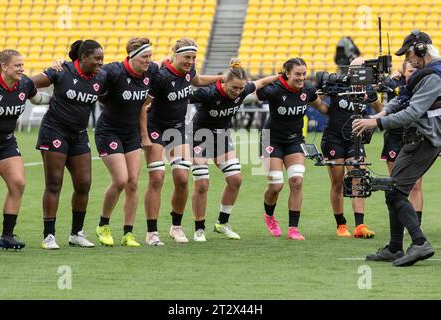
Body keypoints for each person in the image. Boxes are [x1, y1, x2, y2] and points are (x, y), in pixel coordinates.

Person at [353, 30, 441, 266]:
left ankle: (419, 243)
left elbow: (412, 111)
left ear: (421, 50)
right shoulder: (425, 73)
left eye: (410, 54)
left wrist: (376, 122)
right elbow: (402, 99)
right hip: (416, 139)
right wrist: (383, 112)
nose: (408, 59)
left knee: (395, 192)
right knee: (394, 191)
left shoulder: (434, 77)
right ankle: (394, 248)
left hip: (425, 140)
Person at [140, 38, 222, 244]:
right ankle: (152, 232)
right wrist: (144, 135)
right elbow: (143, 105)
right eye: (187, 57)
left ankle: (176, 227)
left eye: (194, 58)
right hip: (155, 128)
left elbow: (199, 80)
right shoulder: (160, 76)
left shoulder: (189, 72)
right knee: (157, 177)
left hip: (177, 128)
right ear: (175, 56)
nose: (191, 61)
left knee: (183, 178)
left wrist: (222, 77)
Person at [188, 58, 278, 241]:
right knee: (202, 183)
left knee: (235, 179)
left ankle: (222, 223)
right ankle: (199, 229)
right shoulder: (209, 93)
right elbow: (182, 96)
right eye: (234, 88)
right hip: (199, 136)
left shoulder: (243, 89)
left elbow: (261, 82)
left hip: (221, 136)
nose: (237, 92)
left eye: (240, 88)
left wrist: (280, 76)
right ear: (224, 82)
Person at [32, 40, 107, 249]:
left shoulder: (101, 77)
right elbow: (28, 84)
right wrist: (38, 99)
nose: (101, 62)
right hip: (54, 131)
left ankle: (76, 233)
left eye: (102, 58)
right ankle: (49, 236)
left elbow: (110, 94)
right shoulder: (62, 71)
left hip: (79, 134)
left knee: (84, 184)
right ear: (83, 58)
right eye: (97, 58)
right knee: (54, 183)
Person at [92, 38, 159, 247]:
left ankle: (128, 233)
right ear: (132, 56)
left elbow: (142, 105)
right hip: (108, 131)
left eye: (150, 56)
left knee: (132, 183)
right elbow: (89, 76)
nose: (149, 60)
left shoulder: (151, 72)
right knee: (120, 180)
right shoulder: (114, 71)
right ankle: (103, 225)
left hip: (131, 134)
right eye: (144, 57)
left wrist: (144, 135)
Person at [257, 58, 328, 240]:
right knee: (276, 185)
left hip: (295, 140)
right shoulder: (274, 89)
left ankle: (293, 228)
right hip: (270, 139)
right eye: (297, 74)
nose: (302, 78)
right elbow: (253, 90)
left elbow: (321, 106)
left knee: (296, 181)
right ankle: (270, 217)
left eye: (304, 74)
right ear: (287, 73)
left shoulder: (307, 90)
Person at [0, 50, 50, 250]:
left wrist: (57, 98)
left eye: (22, 65)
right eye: (17, 65)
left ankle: (7, 236)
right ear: (4, 66)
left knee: (18, 183)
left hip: (6, 142)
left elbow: (36, 99)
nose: (22, 69)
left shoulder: (24, 83)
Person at [320, 57, 383, 238]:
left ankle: (360, 225)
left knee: (358, 178)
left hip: (355, 138)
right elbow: (316, 97)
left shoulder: (368, 90)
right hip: (333, 139)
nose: (360, 74)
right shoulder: (337, 85)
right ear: (349, 71)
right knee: (338, 182)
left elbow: (381, 109)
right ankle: (341, 225)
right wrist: (321, 102)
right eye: (356, 70)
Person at [380, 61, 423, 226]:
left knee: (416, 184)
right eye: (410, 70)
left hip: (415, 135)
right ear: (403, 72)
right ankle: (400, 223)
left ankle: (416, 223)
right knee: (395, 184)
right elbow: (383, 92)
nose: (413, 73)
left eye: (415, 70)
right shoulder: (393, 83)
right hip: (394, 136)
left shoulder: (424, 85)